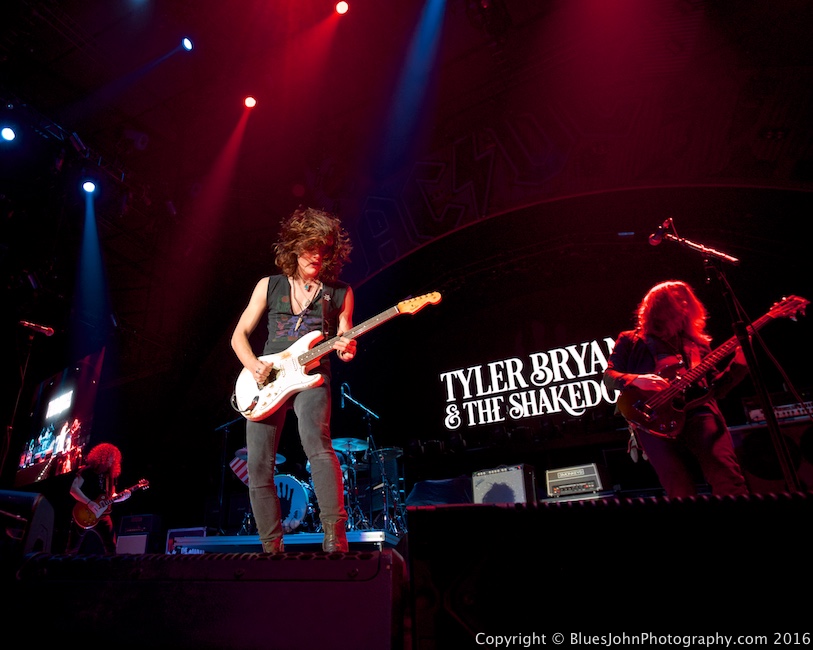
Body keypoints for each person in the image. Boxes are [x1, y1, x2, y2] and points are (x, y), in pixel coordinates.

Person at [231, 206, 357, 554]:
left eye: (324, 249)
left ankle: (335, 536)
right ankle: (271, 547)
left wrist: (347, 349)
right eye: (310, 247)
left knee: (316, 440)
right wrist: (254, 365)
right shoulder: (268, 286)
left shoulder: (340, 292)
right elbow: (239, 335)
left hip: (313, 373)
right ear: (295, 246)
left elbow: (345, 341)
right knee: (258, 463)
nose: (317, 255)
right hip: (268, 378)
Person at [603, 280, 751, 498]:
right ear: (659, 306)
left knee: (726, 478)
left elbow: (717, 388)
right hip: (652, 421)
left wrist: (740, 363)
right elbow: (609, 377)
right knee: (678, 488)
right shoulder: (630, 339)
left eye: (686, 300)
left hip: (699, 413)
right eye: (678, 300)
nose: (684, 305)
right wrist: (637, 380)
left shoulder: (696, 344)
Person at [65, 442, 132, 555]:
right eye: (110, 457)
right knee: (72, 550)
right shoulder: (87, 471)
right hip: (84, 512)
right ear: (102, 457)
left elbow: (111, 497)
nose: (113, 460)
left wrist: (123, 497)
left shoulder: (111, 476)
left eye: (114, 458)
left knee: (111, 549)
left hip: (103, 515)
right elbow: (73, 489)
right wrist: (89, 502)